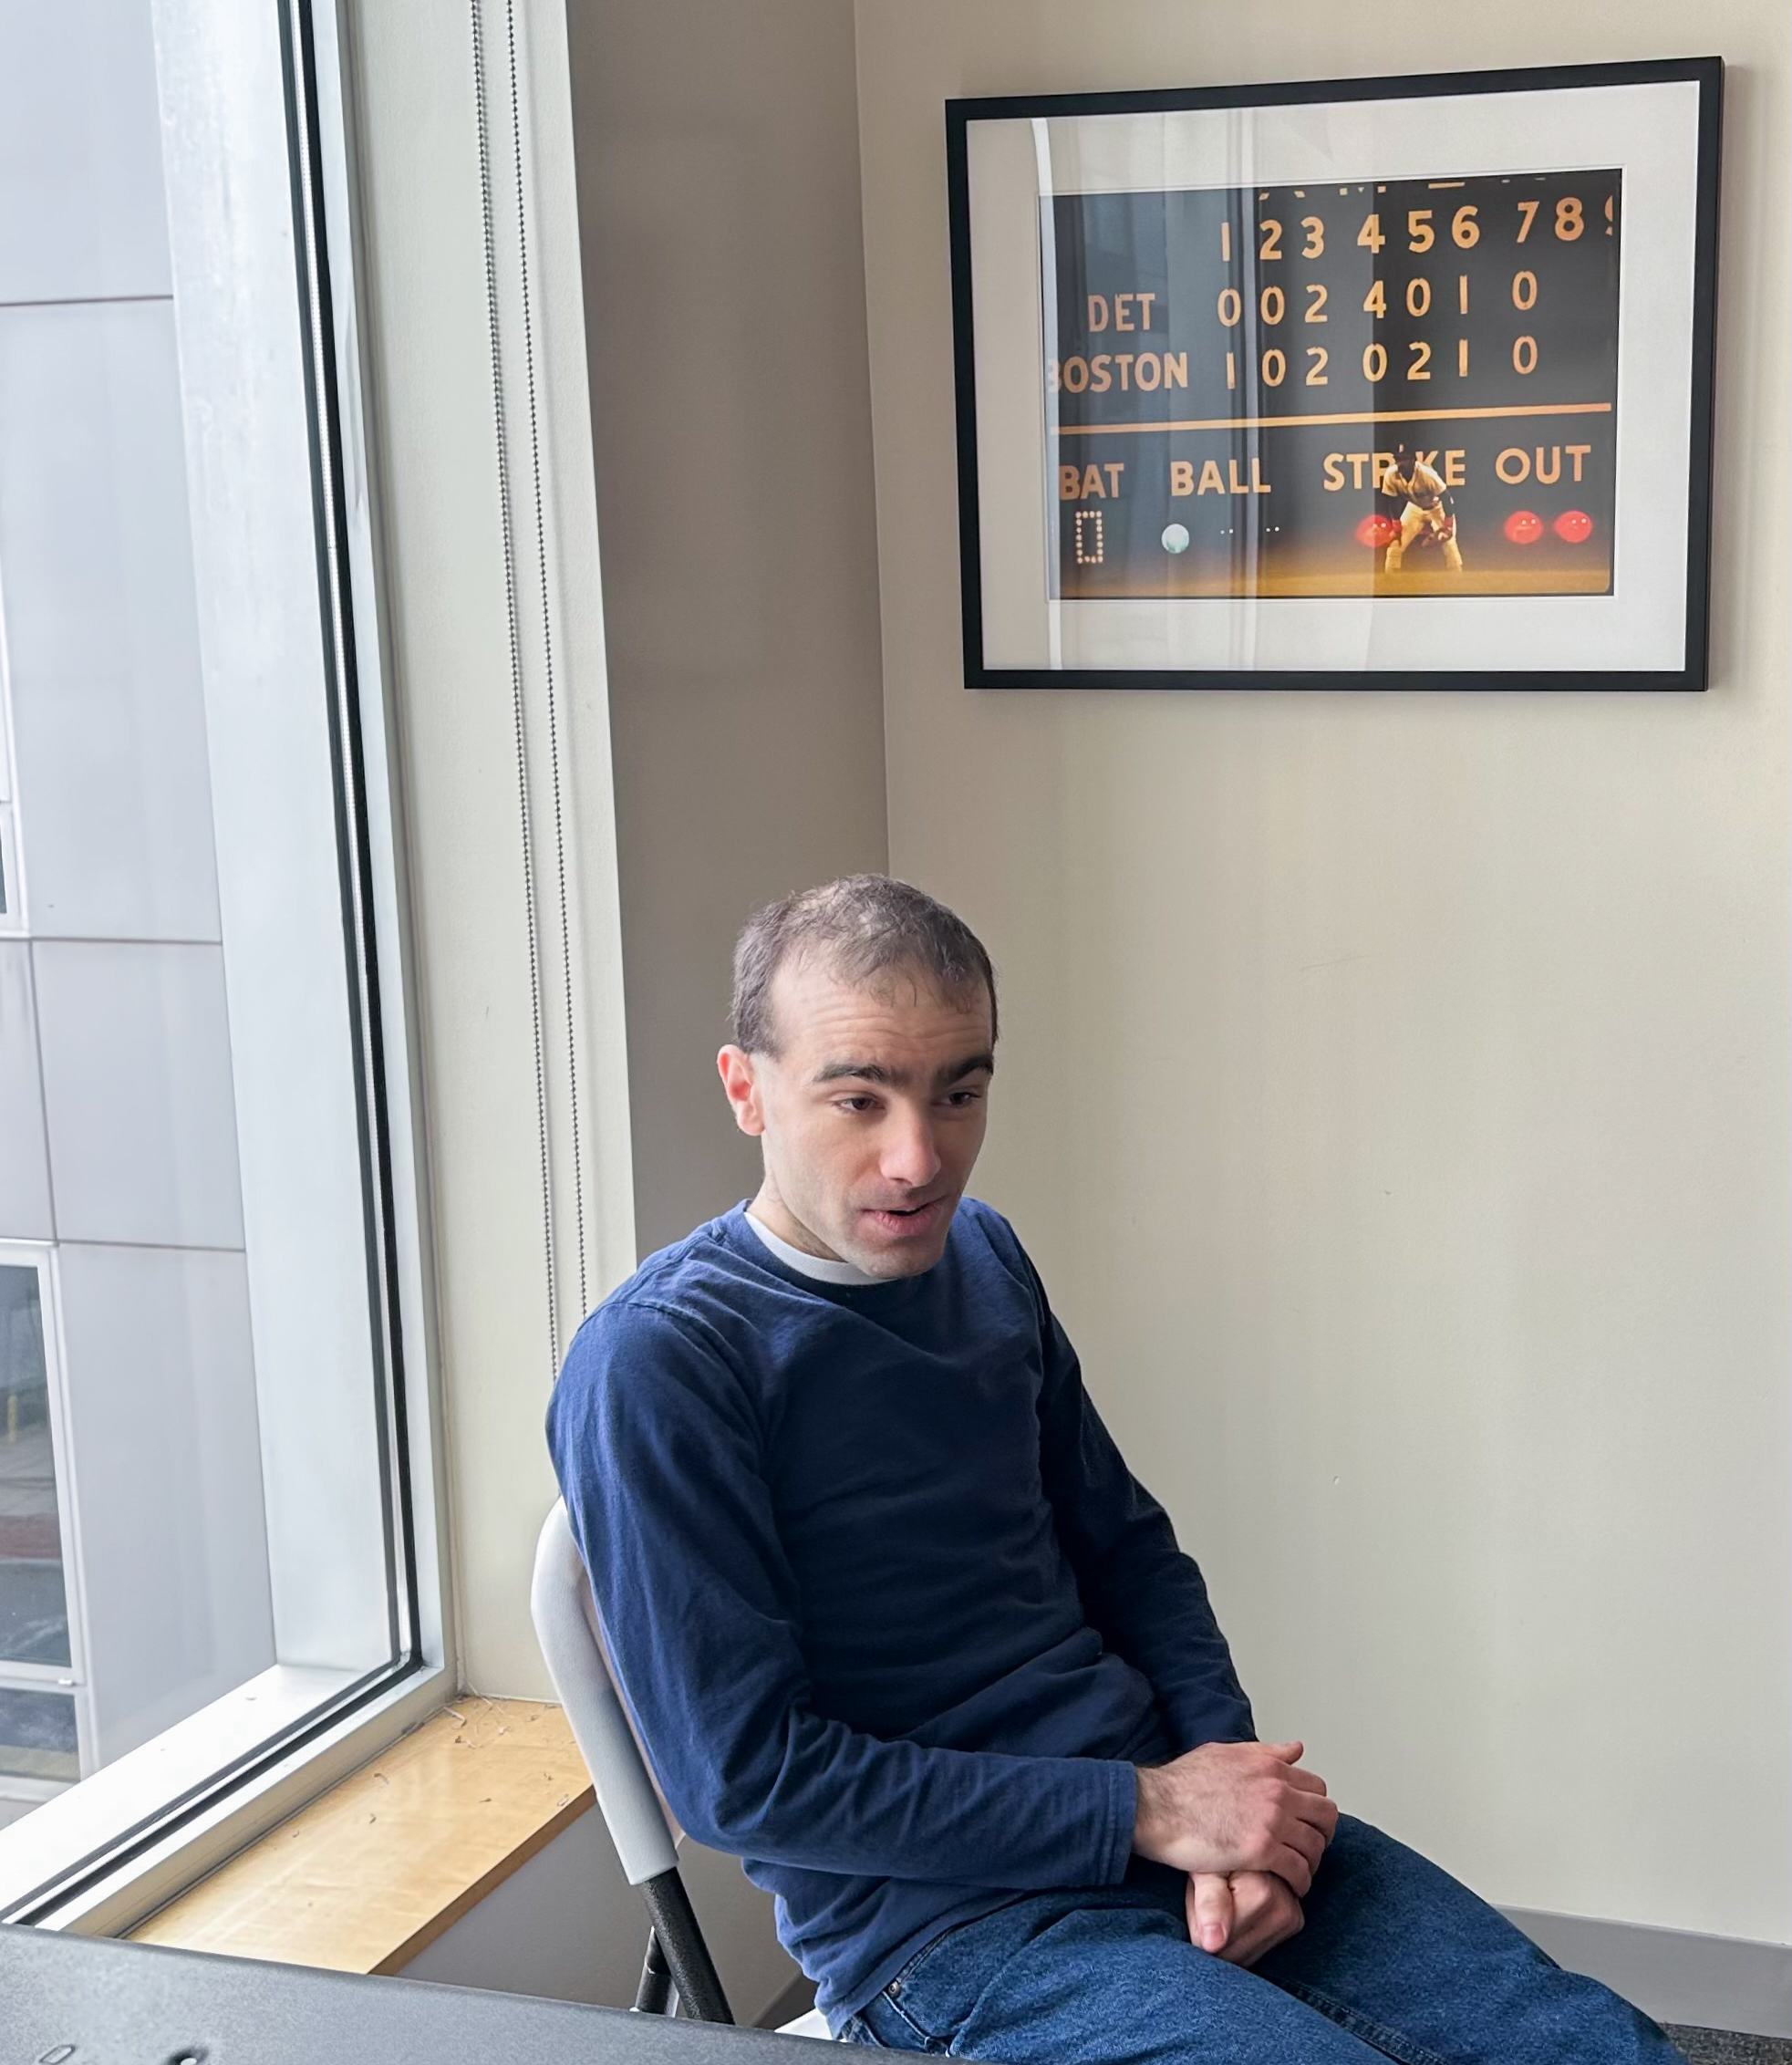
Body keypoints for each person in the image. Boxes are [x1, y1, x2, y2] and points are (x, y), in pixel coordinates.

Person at [546, 875, 1683, 2064]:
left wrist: (1229, 1799)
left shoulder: (981, 1258)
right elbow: (751, 1782)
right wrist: (1144, 1811)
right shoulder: (659, 1364)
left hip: (1170, 1812)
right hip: (953, 1928)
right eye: (857, 1098)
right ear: (748, 1089)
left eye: (959, 1090)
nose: (918, 1156)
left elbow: (1128, 1552)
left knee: (1600, 2048)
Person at [1380, 443, 1463, 573]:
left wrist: (1448, 523)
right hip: (1414, 508)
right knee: (1395, 544)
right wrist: (1396, 524)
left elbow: (1446, 497)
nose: (1400, 463)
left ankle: (1458, 579)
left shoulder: (1426, 474)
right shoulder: (1391, 474)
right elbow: (1392, 499)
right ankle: (1390, 581)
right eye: (1397, 459)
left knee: (1449, 543)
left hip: (1437, 507)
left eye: (1404, 459)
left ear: (1412, 460)